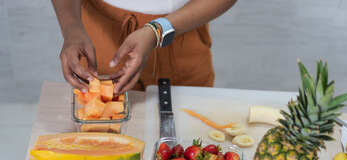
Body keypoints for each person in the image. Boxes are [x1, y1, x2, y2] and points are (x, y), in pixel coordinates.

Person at [51, 0, 237, 94]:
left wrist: (157, 31)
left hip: (180, 28)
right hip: (99, 30)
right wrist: (71, 27)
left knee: (190, 138)